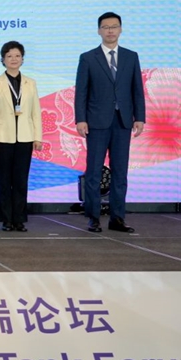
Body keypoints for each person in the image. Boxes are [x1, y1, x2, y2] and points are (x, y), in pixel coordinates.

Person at [75, 12, 145, 233]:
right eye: (106, 27)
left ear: (121, 29)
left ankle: (117, 218)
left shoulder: (131, 57)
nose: (110, 31)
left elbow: (137, 89)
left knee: (120, 172)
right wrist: (80, 119)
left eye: (114, 26)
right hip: (96, 122)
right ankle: (93, 217)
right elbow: (81, 91)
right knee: (94, 171)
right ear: (99, 31)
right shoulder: (88, 58)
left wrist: (140, 117)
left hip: (123, 122)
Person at [0, 41, 42, 232]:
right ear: (3, 59)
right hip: (3, 138)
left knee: (21, 180)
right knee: (5, 180)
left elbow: (36, 112)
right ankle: (6, 219)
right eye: (9, 56)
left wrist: (37, 137)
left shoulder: (30, 83)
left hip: (25, 137)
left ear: (22, 59)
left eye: (17, 56)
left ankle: (19, 219)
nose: (13, 59)